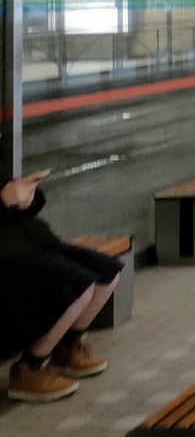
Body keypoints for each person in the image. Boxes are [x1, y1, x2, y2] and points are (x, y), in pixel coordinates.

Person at [0, 170, 122, 402]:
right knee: (76, 287)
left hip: (26, 238)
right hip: (8, 251)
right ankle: (31, 368)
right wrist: (4, 200)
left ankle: (66, 346)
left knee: (107, 274)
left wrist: (25, 198)